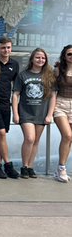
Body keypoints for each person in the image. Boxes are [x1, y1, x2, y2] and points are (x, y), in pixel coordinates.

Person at [12, 47, 57, 179]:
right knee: (29, 138)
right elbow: (15, 95)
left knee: (36, 140)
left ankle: (30, 167)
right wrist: (15, 113)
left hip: (41, 112)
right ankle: (24, 166)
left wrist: (49, 114)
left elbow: (53, 96)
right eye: (37, 57)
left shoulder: (49, 76)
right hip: (26, 112)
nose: (40, 60)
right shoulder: (23, 75)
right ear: (32, 58)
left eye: (43, 58)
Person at [0, 37, 20, 179]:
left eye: (8, 48)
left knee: (1, 136)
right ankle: (8, 164)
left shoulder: (15, 64)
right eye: (3, 48)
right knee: (0, 132)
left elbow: (16, 87)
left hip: (6, 104)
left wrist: (16, 108)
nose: (6, 50)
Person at [53, 45, 72, 182]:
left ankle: (59, 169)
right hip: (60, 105)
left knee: (70, 139)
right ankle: (61, 168)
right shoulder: (58, 70)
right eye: (70, 54)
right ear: (65, 56)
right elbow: (52, 89)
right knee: (67, 135)